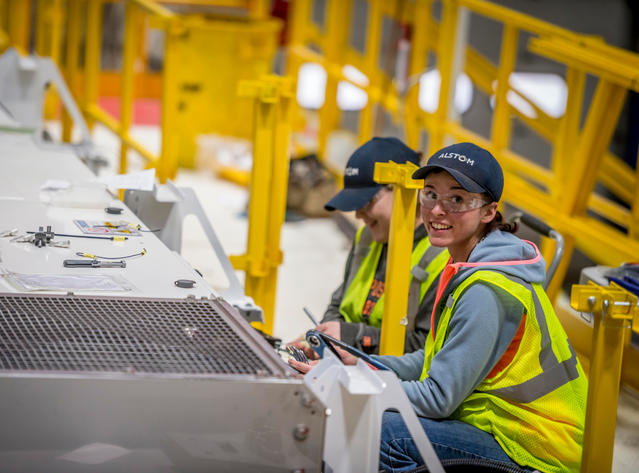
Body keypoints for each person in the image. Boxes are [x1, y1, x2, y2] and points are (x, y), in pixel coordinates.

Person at [291, 142, 587, 473]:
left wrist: (358, 386)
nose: (436, 211)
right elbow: (431, 358)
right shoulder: (466, 266)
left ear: (488, 212)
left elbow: (437, 398)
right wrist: (361, 366)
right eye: (430, 194)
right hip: (497, 426)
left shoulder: (486, 290)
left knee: (384, 431)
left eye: (457, 199)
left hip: (532, 447)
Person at [315, 137, 448, 354]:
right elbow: (338, 304)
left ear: (406, 190)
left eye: (366, 202)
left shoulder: (442, 258)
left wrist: (352, 337)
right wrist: (325, 339)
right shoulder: (366, 237)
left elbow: (427, 349)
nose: (358, 214)